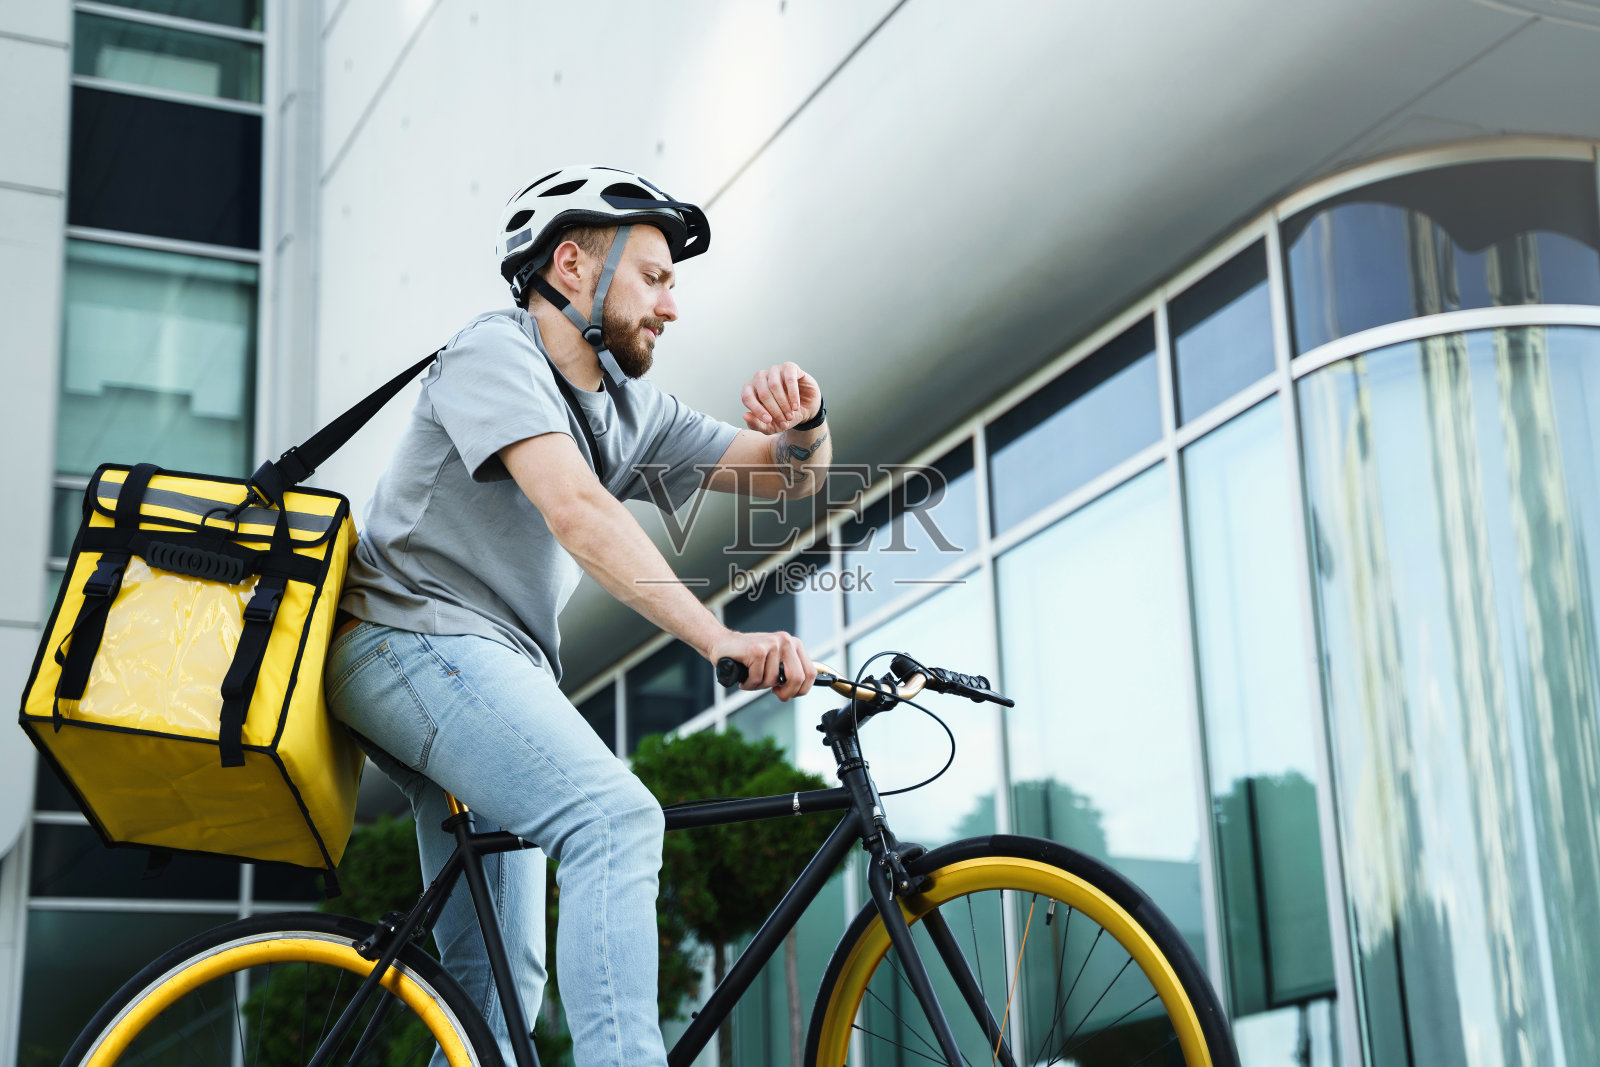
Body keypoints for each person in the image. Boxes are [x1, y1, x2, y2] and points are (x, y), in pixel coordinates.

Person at [323, 164, 832, 1067]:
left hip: (483, 669)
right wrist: (718, 637)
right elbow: (578, 511)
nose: (672, 306)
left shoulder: (632, 408)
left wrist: (807, 423)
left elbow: (782, 477)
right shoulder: (494, 352)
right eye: (654, 277)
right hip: (409, 640)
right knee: (614, 821)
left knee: (492, 1001)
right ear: (569, 266)